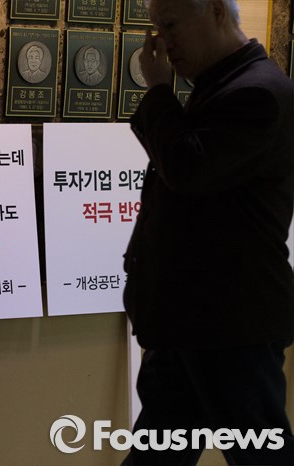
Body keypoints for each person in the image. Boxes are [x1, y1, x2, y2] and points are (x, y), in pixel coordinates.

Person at [122, 0, 294, 464]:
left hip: (231, 325)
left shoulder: (257, 92)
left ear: (217, 12)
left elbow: (187, 169)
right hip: (190, 319)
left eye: (171, 25)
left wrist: (159, 92)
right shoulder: (220, 87)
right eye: (156, 27)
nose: (162, 42)